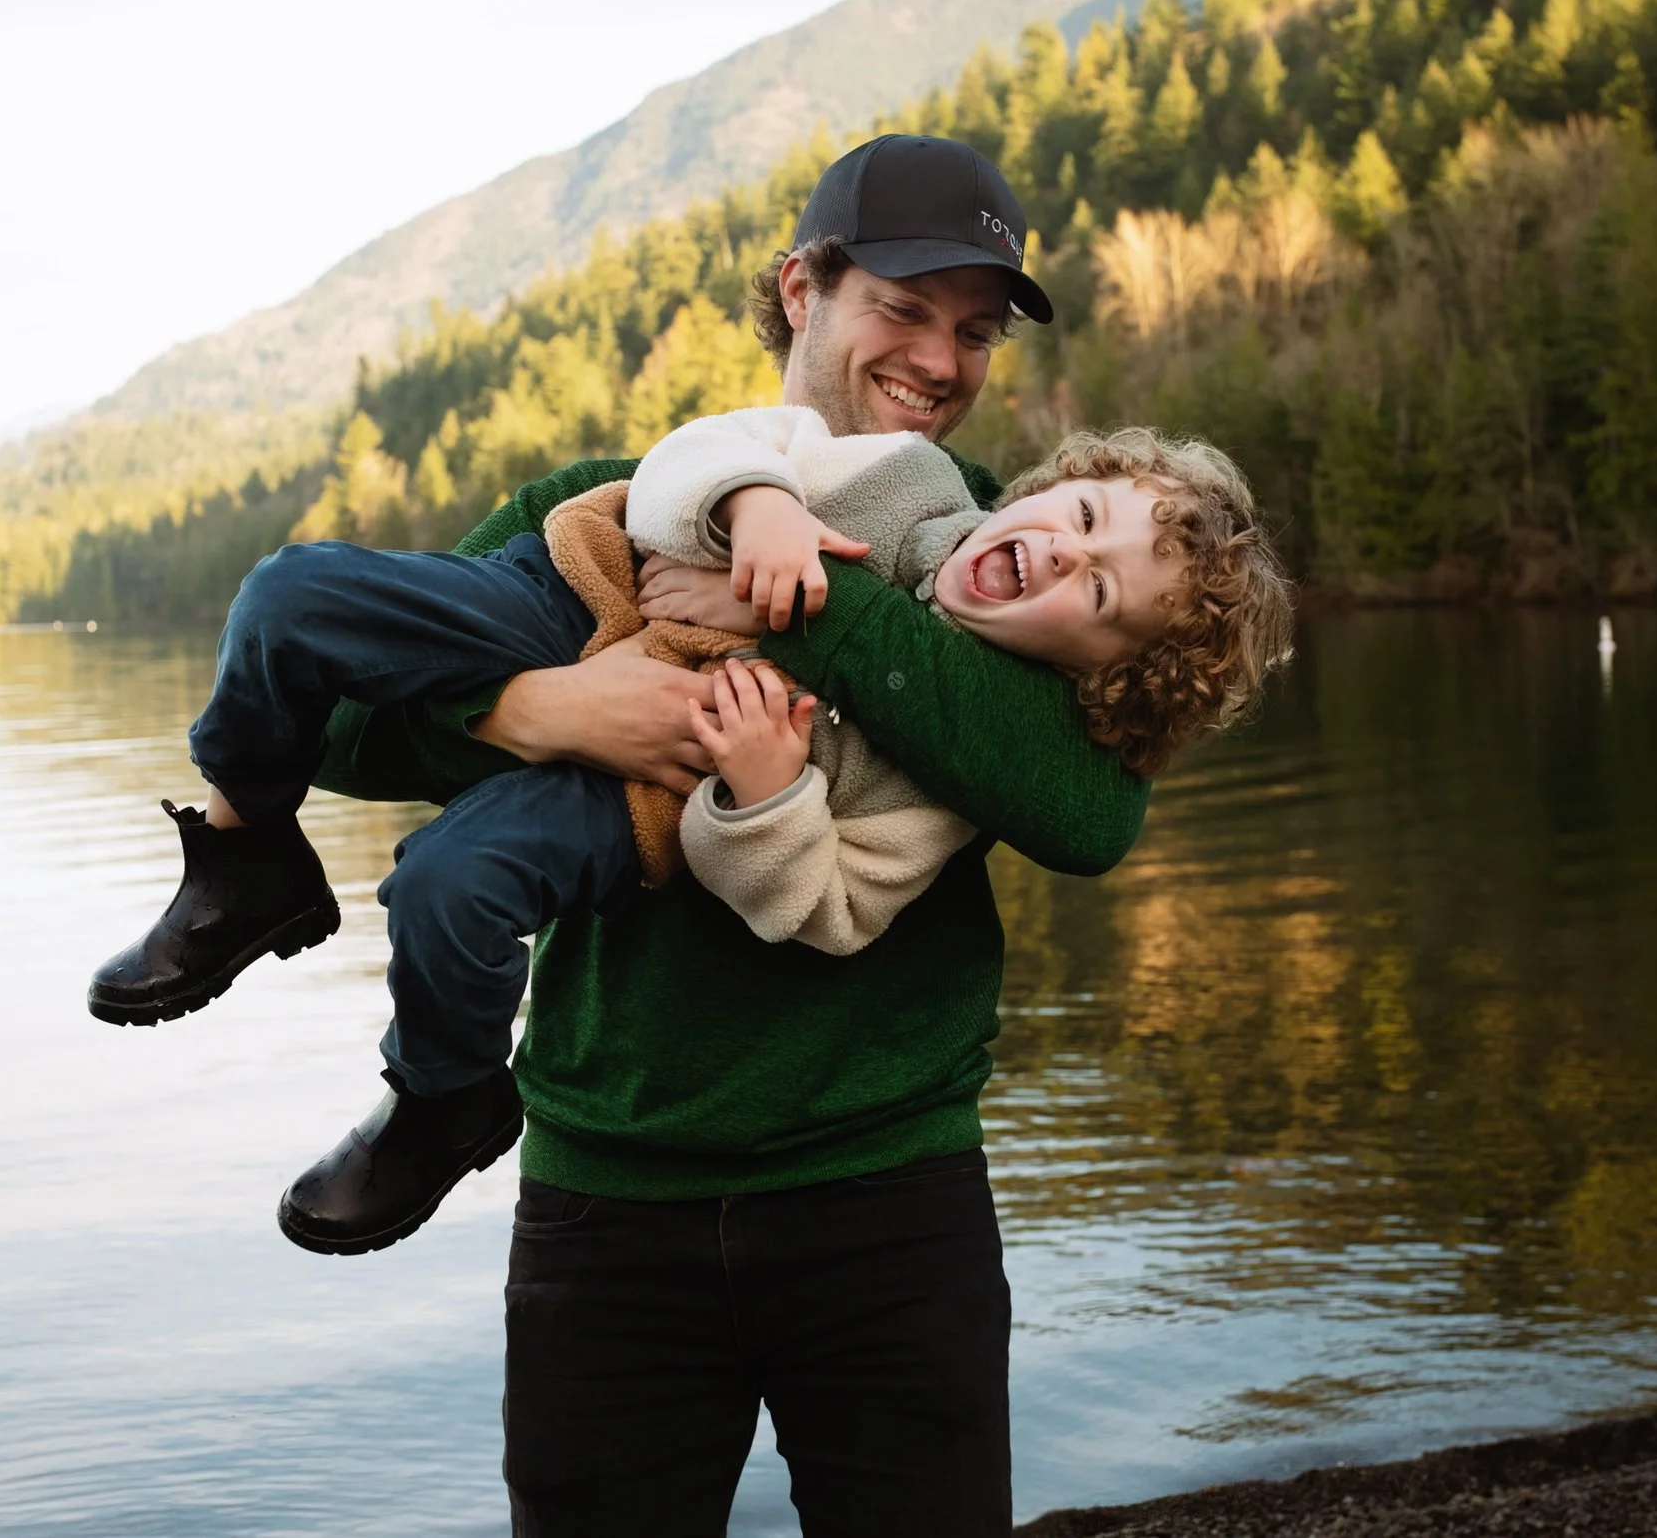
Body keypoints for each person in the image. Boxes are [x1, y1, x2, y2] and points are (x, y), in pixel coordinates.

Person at [90, 135, 1291, 1533]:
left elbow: (1083, 806)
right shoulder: (617, 491)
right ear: (802, 290)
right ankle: (324, 956)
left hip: (883, 1202)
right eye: (903, 310)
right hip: (610, 1198)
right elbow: (350, 730)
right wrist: (558, 709)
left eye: (972, 332)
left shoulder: (996, 576)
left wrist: (804, 610)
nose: (941, 359)